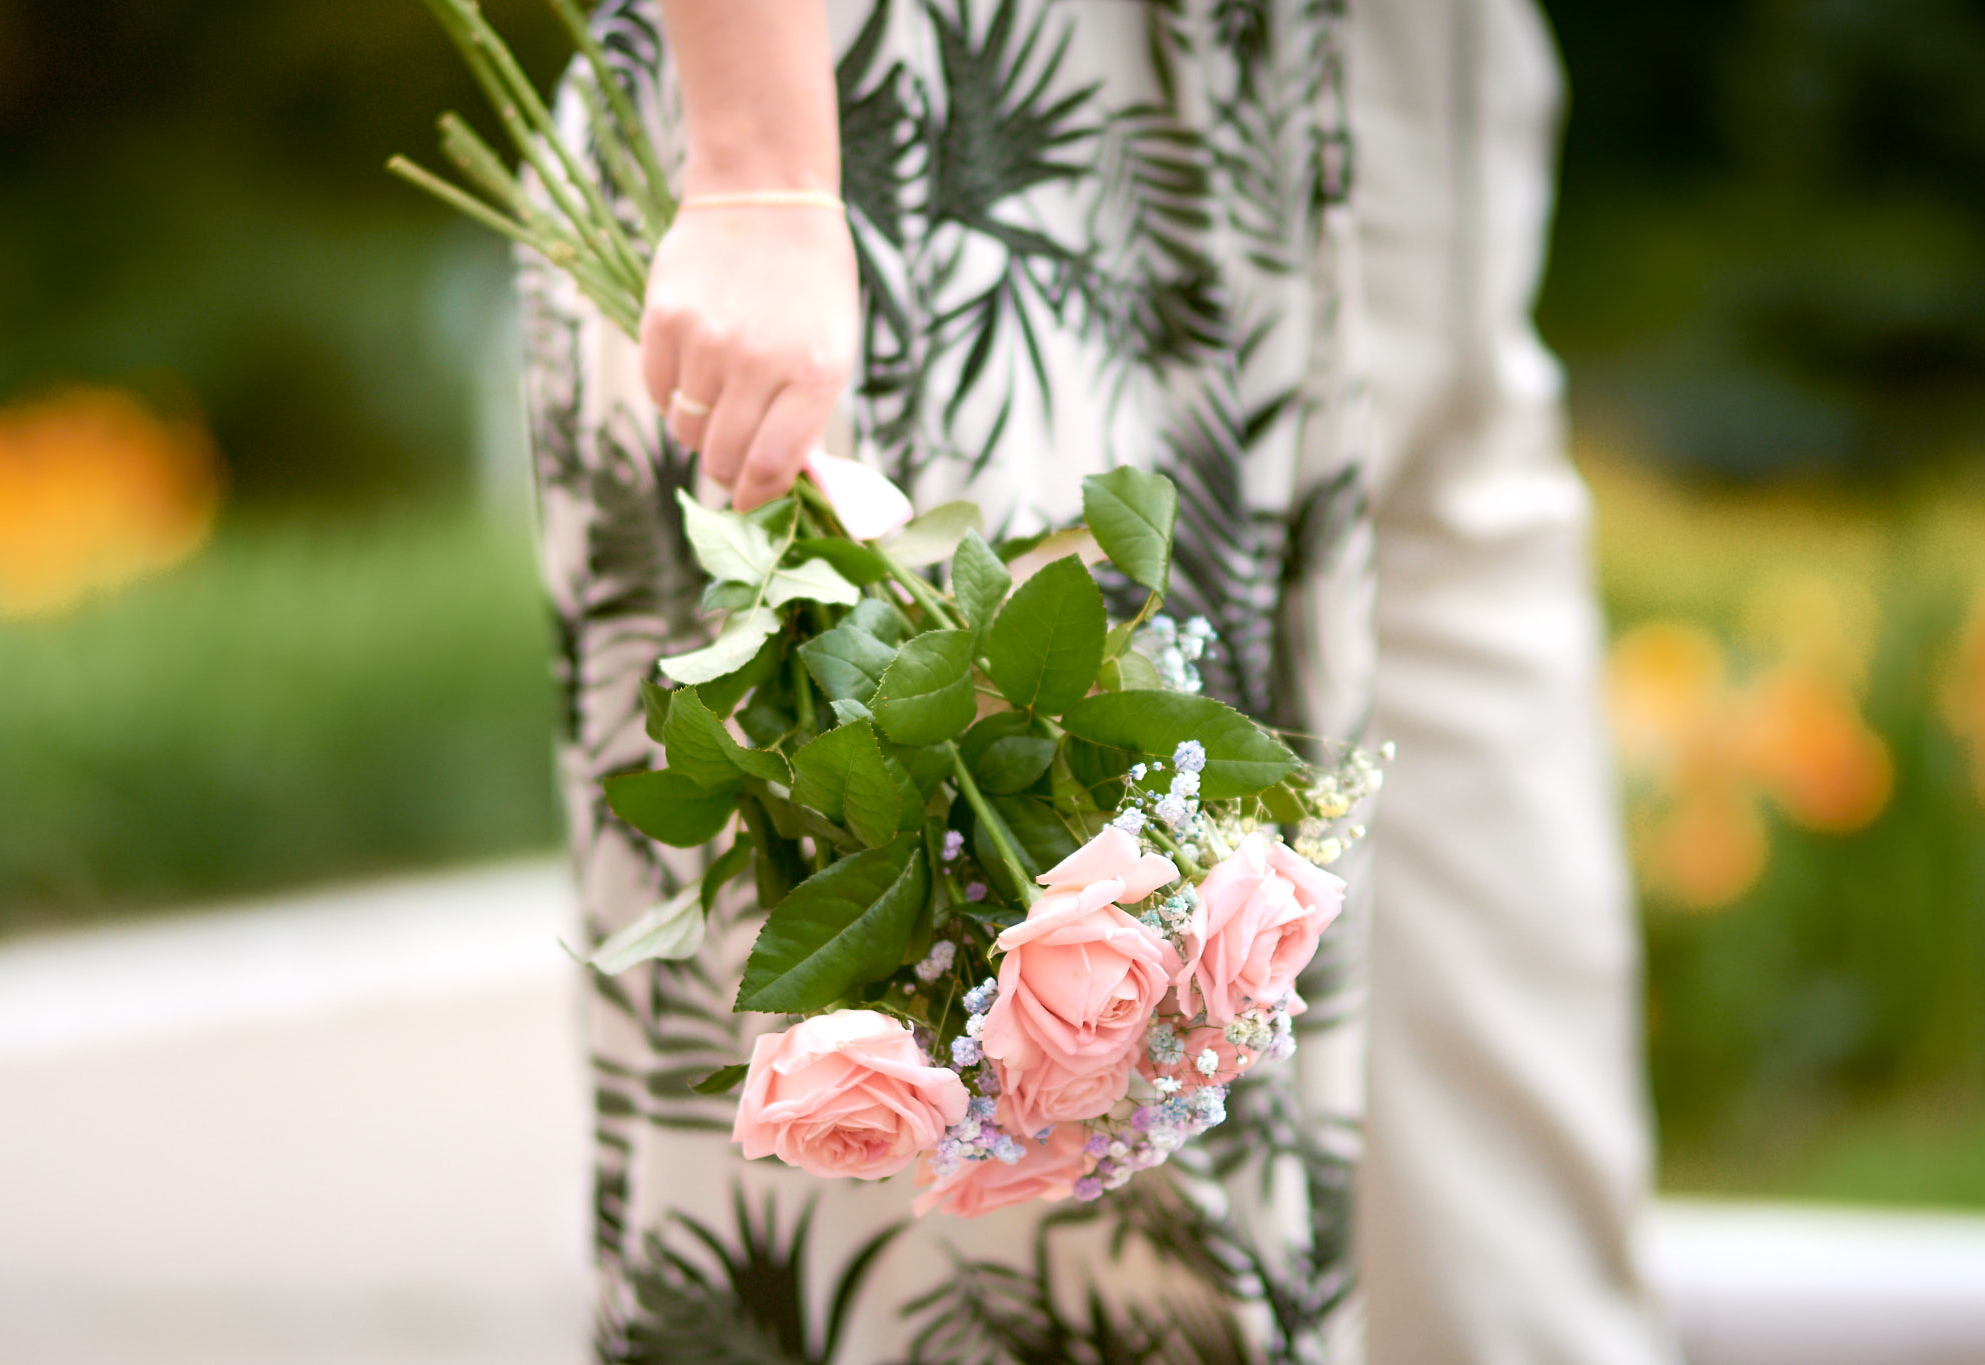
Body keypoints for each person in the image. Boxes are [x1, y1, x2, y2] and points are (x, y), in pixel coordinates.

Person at [517, 1, 1679, 1361]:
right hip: (974, 141)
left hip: (1367, 111)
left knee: (1510, 1217)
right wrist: (764, 164)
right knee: (1051, 1271)